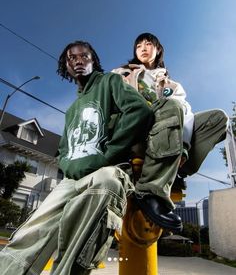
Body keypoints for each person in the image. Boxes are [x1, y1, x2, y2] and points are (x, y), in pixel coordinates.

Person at [0, 40, 154, 275]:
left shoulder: (109, 82)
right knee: (30, 234)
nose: (78, 60)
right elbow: (63, 148)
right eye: (72, 58)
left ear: (94, 61)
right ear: (66, 67)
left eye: (84, 56)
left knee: (108, 183)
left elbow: (139, 111)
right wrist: (65, 164)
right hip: (70, 180)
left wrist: (107, 155)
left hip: (103, 169)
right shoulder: (72, 109)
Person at [112, 32, 229, 232]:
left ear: (158, 50)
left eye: (149, 44)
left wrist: (184, 145)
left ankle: (175, 167)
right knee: (170, 106)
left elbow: (185, 113)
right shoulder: (121, 73)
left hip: (168, 134)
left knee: (218, 119)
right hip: (136, 132)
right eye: (139, 45)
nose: (143, 47)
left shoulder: (170, 83)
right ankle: (150, 191)